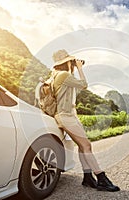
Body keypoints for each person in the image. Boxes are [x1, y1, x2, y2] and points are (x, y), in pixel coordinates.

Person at [51, 49, 120, 192]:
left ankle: (88, 178)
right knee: (86, 145)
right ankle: (101, 178)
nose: (74, 63)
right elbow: (83, 84)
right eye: (71, 61)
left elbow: (74, 87)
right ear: (67, 62)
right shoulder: (63, 75)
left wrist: (74, 69)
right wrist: (80, 69)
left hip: (66, 115)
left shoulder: (58, 75)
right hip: (66, 116)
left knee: (83, 146)